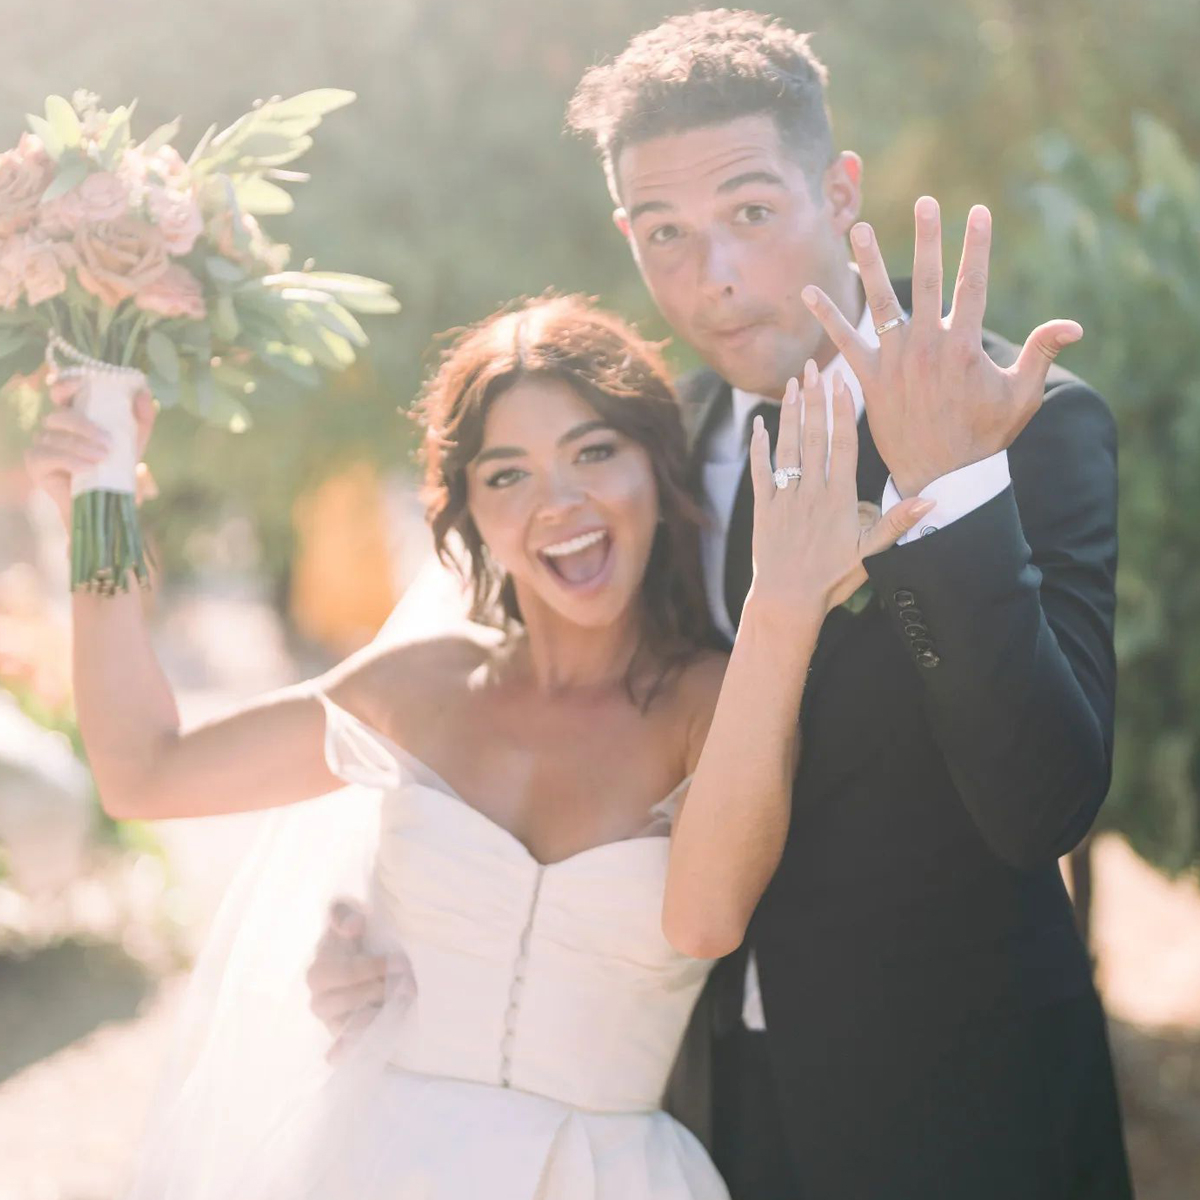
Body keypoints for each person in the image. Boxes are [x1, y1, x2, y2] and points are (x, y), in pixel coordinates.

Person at [310, 11, 1131, 1198]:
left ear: (840, 190)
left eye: (751, 214)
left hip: (961, 1114)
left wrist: (950, 492)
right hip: (695, 1124)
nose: (717, 278)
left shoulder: (1030, 424)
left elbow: (1044, 806)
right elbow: (535, 711)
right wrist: (382, 912)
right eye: (666, 235)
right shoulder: (648, 448)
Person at [25, 293, 926, 1198]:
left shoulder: (713, 700)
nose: (558, 503)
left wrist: (784, 608)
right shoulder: (419, 686)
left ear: (658, 466)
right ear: (466, 511)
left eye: (594, 453)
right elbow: (142, 771)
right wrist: (97, 508)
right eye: (507, 475)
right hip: (371, 1159)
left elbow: (704, 921)